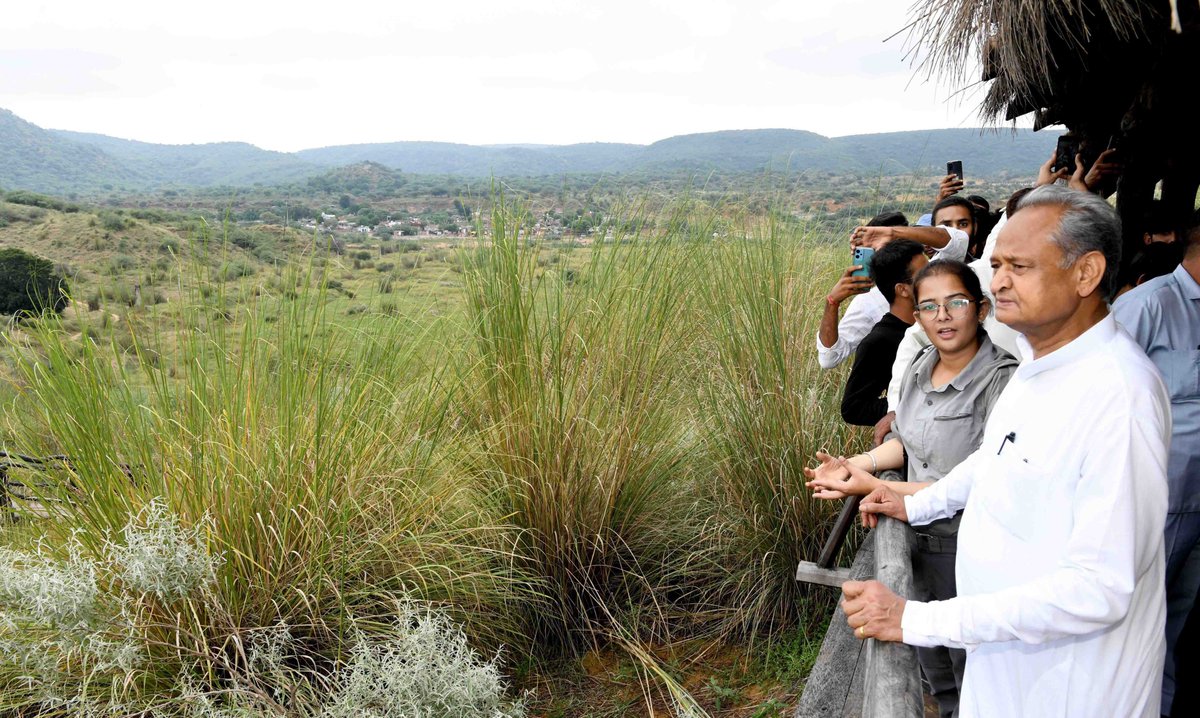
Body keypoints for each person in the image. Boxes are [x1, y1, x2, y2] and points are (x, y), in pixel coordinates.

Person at [841, 185, 1172, 717]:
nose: (999, 282)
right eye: (996, 265)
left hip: (1068, 691)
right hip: (1007, 673)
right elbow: (993, 459)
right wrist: (912, 503)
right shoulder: (1040, 364)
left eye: (1020, 266)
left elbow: (1098, 590)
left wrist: (917, 619)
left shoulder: (1118, 395)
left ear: (1086, 273)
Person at [806, 259, 1017, 717]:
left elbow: (979, 481)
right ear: (916, 315)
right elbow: (906, 441)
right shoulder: (922, 365)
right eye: (929, 307)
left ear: (980, 309)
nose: (942, 316)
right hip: (914, 541)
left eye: (955, 303)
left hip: (965, 549)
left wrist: (872, 487)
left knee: (973, 673)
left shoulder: (1003, 382)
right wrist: (853, 467)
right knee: (935, 670)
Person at [1112, 209, 1200, 716]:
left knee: (1180, 620)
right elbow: (1106, 394)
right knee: (1143, 618)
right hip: (1160, 500)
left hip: (1198, 502)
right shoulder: (1150, 304)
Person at [816, 214, 968, 370]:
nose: (896, 251)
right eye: (884, 246)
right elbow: (830, 358)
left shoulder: (930, 272)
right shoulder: (868, 302)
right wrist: (832, 303)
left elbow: (960, 242)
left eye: (900, 240)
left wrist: (894, 232)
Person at [839, 239, 927, 426]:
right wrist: (911, 407)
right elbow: (854, 408)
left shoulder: (934, 323)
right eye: (925, 274)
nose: (936, 278)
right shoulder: (879, 341)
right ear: (903, 289)